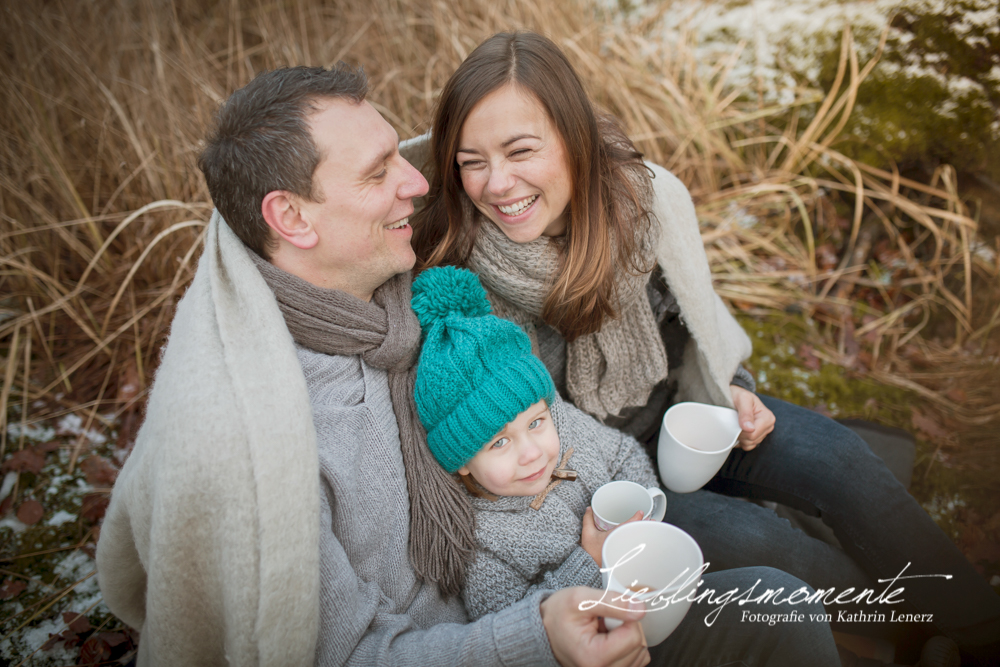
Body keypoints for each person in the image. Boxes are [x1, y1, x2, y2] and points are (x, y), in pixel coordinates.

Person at [95, 63, 839, 667]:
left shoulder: (408, 293)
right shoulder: (262, 440)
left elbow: (539, 395)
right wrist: (539, 635)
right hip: (490, 640)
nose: (417, 183)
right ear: (291, 217)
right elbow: (348, 654)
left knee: (781, 600)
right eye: (382, 170)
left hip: (564, 567)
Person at [409, 30, 1000, 666]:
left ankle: (979, 629)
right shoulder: (455, 272)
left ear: (573, 140)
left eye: (521, 150)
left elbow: (693, 320)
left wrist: (734, 391)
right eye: (472, 161)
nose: (497, 183)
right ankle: (908, 633)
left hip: (676, 419)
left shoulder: (636, 200)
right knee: (756, 540)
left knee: (837, 456)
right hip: (591, 479)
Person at [410, 264, 839, 647]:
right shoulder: (486, 545)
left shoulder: (566, 427)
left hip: (653, 585)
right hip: (612, 641)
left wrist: (640, 504)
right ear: (462, 460)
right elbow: (515, 628)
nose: (531, 453)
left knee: (782, 590)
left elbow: (623, 451)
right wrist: (589, 560)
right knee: (773, 602)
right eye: (498, 443)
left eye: (536, 422)